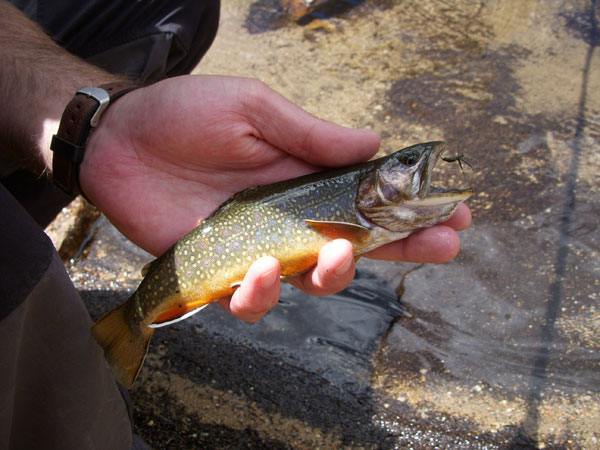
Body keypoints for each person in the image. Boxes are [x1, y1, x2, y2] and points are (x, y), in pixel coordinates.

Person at [0, 0, 472, 448]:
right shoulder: (363, 219)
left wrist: (102, 126)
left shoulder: (365, 215)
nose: (417, 164)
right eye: (407, 163)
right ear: (372, 187)